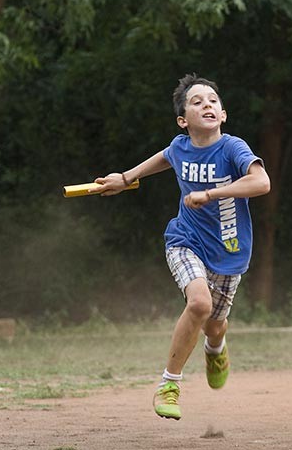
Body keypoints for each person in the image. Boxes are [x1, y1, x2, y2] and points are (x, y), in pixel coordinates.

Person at [95, 74, 270, 420]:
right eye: (197, 101)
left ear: (222, 115)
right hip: (184, 241)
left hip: (230, 251)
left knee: (215, 324)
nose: (207, 104)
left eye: (213, 101)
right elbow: (165, 157)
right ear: (182, 120)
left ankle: (215, 346)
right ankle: (169, 384)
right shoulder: (180, 147)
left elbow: (261, 182)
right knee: (200, 303)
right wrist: (126, 178)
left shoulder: (233, 147)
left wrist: (212, 194)